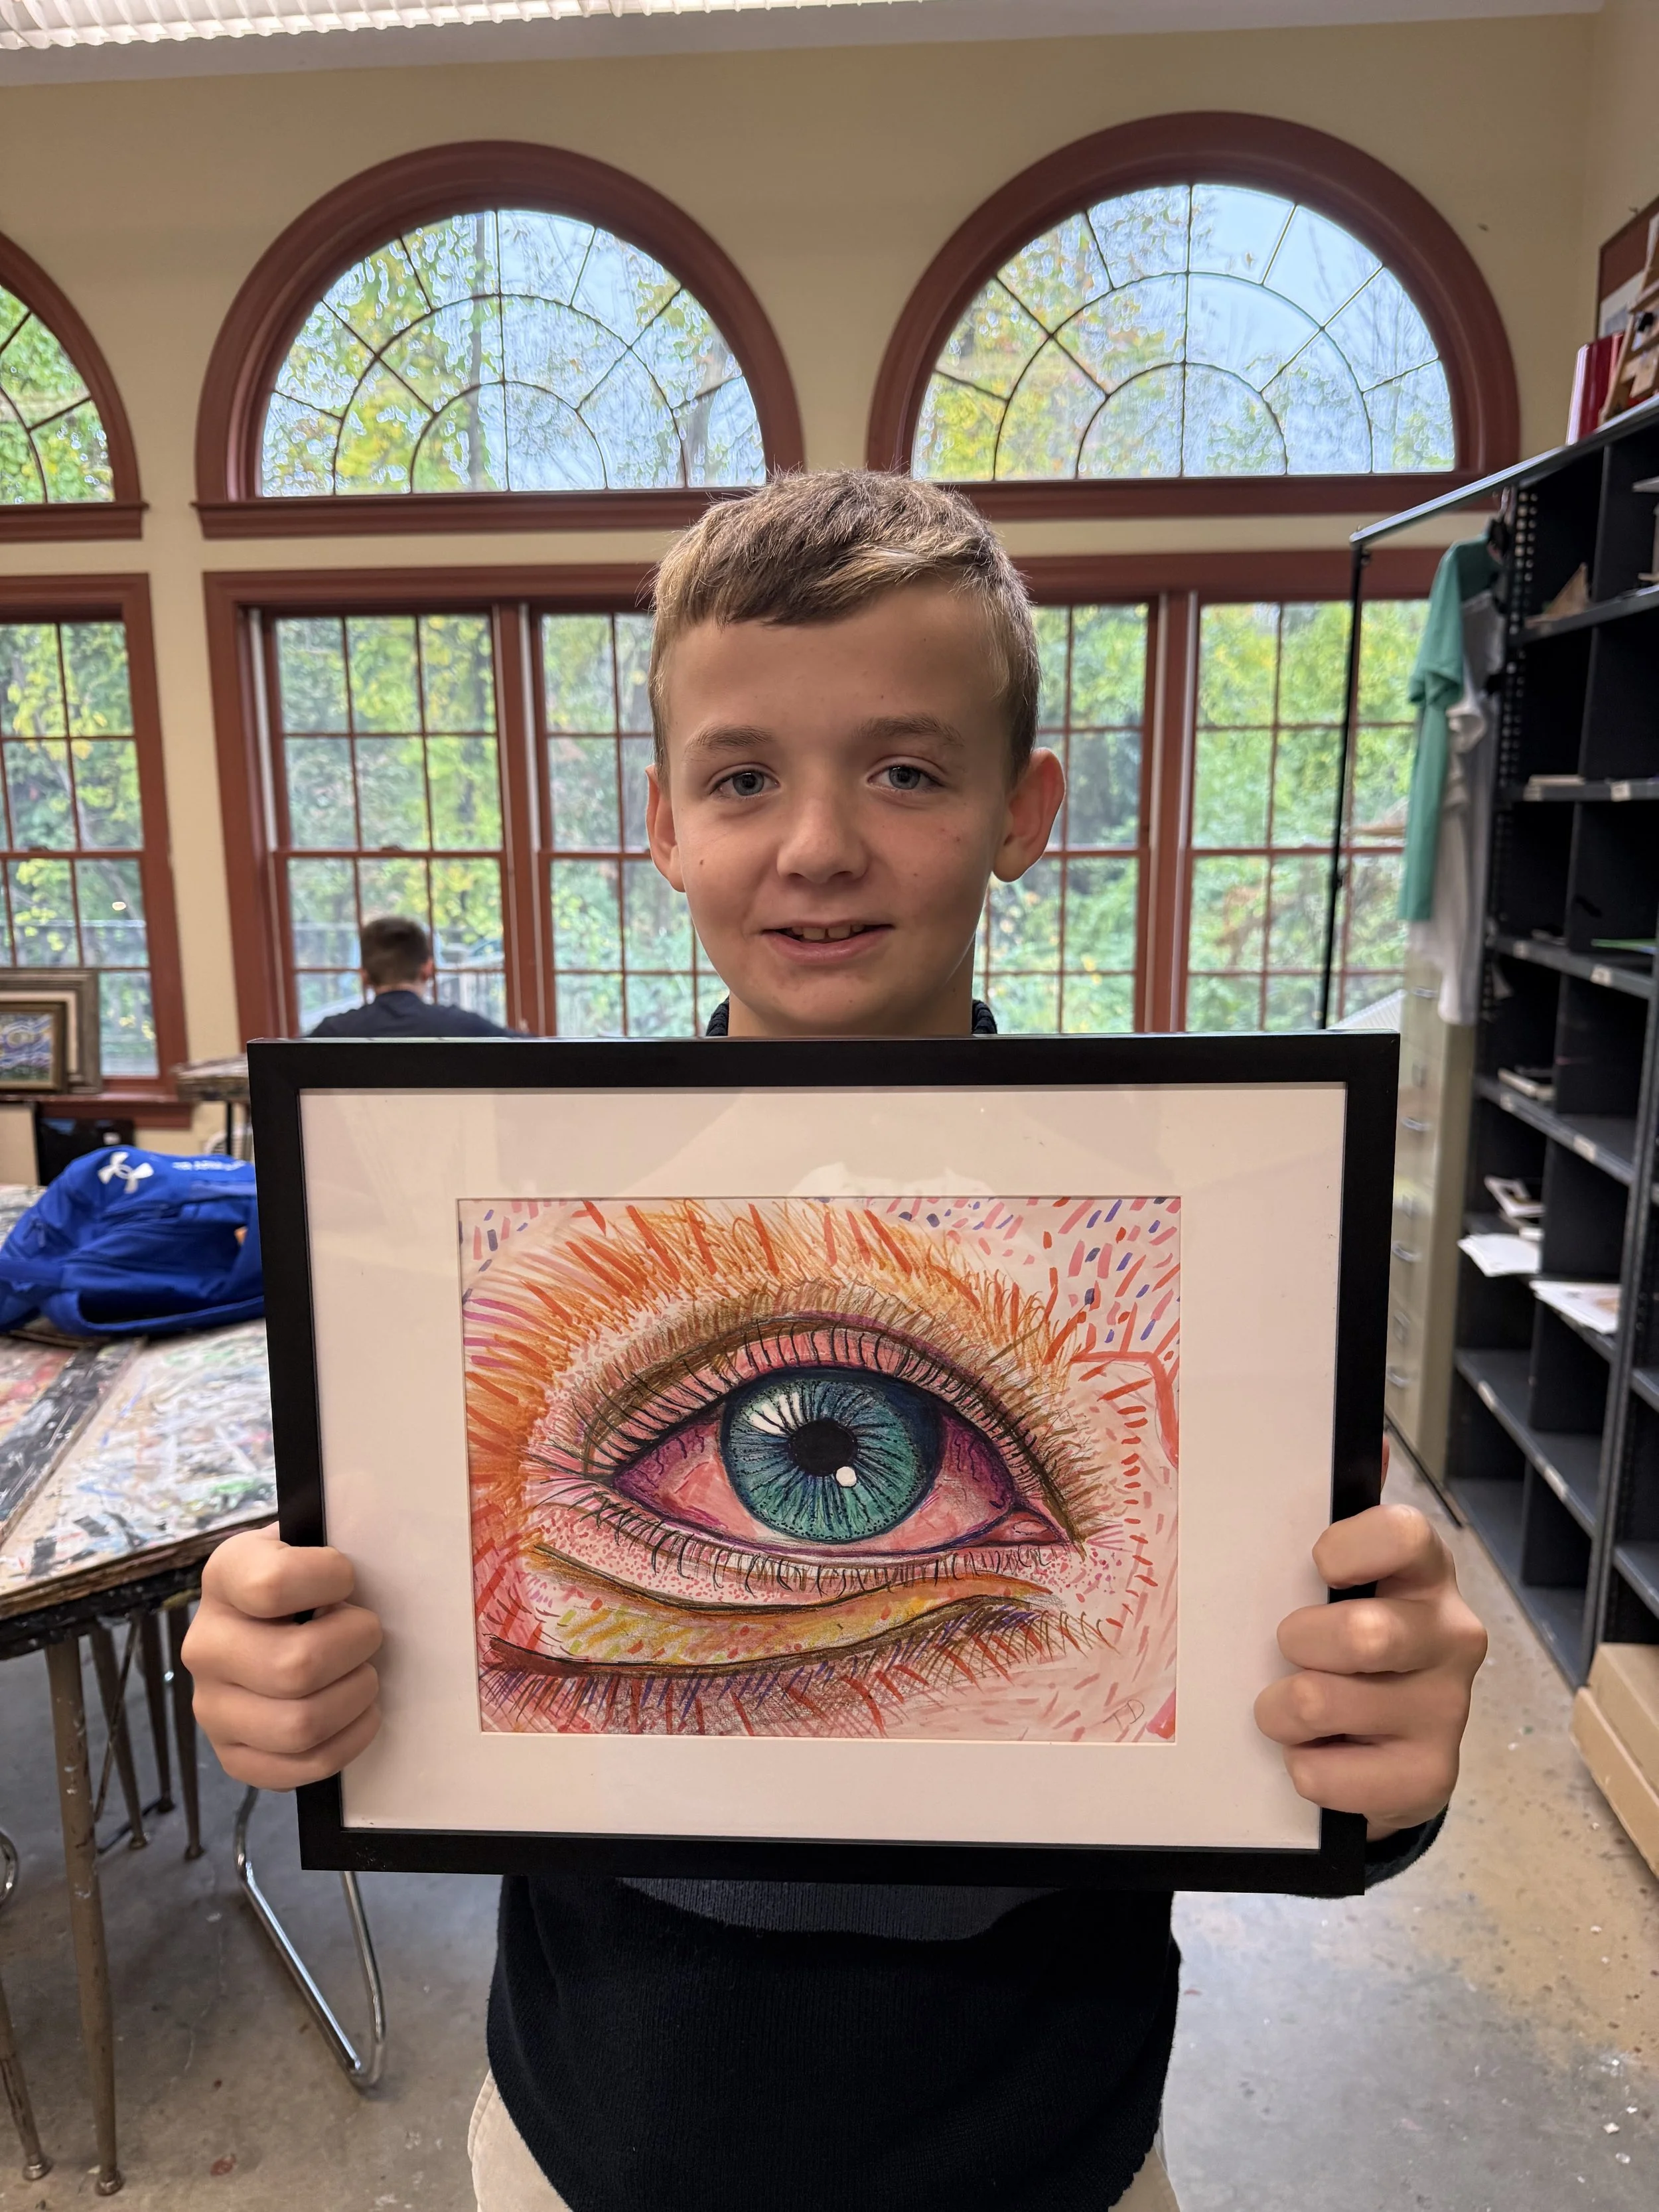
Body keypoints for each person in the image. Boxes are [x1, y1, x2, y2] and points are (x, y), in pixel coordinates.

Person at [184, 474, 1488, 2212]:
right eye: (741, 777)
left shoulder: (1181, 1241)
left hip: (1054, 2159)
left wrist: (1371, 1746)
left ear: (1021, 809)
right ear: (659, 821)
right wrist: (302, 1666)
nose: (813, 844)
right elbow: (410, 1638)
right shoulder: (513, 1230)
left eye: (903, 768)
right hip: (584, 2146)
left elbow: (1280, 1723)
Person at [307, 915, 516, 1039]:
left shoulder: (331, 1034)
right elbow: (536, 1051)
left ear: (364, 976)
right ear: (428, 970)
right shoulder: (464, 1028)